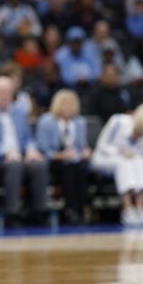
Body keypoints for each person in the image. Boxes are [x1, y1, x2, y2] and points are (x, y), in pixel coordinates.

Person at [0, 76, 49, 226]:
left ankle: (38, 212)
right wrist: (6, 152)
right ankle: (12, 213)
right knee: (15, 165)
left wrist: (30, 150)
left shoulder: (19, 111)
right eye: (1, 92)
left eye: (8, 92)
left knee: (39, 165)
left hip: (20, 155)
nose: (5, 96)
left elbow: (28, 137)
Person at [91, 104, 143, 227]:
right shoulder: (117, 121)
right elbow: (102, 144)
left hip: (132, 165)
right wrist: (120, 153)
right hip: (105, 158)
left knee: (138, 161)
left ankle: (140, 207)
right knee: (123, 162)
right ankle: (127, 209)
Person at [36, 90, 91, 225]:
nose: (69, 107)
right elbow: (42, 149)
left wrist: (85, 151)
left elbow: (82, 145)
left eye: (72, 104)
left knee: (80, 169)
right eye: (65, 104)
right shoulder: (46, 121)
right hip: (54, 160)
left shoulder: (80, 122)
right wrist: (61, 155)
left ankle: (81, 208)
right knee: (68, 169)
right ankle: (70, 210)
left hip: (75, 159)